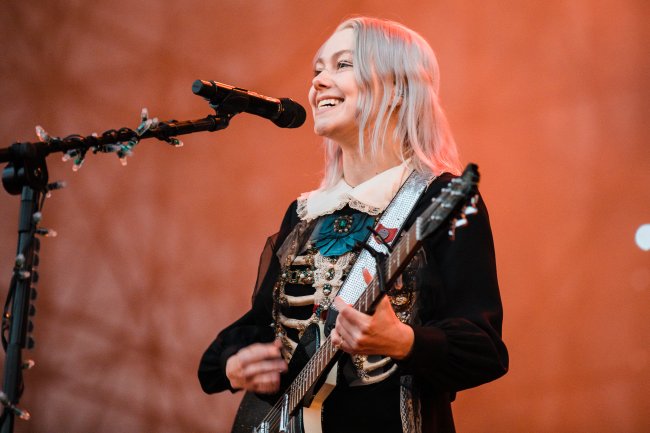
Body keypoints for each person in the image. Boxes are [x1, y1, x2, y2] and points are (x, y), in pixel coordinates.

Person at [198, 16, 508, 433]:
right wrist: (235, 364)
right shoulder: (306, 211)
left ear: (398, 88)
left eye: (342, 65)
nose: (319, 82)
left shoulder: (441, 199)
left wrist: (403, 341)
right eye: (317, 69)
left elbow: (484, 347)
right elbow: (259, 326)